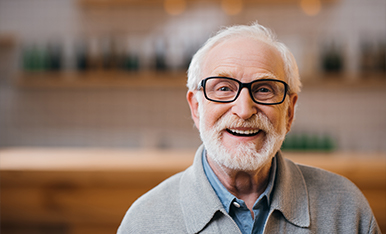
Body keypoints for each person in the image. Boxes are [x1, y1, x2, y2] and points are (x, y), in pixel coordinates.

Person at [117, 23, 380, 234]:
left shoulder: (346, 210)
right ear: (196, 107)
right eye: (223, 89)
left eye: (264, 89)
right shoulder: (144, 222)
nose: (244, 110)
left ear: (289, 111)